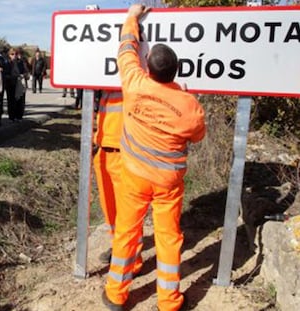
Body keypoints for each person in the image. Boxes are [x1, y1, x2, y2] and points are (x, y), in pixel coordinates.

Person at [102, 4, 206, 311]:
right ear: (176, 71)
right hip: (168, 183)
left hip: (134, 175)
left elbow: (125, 48)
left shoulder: (134, 83)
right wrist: (183, 96)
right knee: (169, 236)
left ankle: (116, 295)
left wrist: (132, 17)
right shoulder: (189, 105)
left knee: (126, 231)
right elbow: (197, 135)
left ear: (148, 67)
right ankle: (169, 301)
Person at [93, 90, 143, 268]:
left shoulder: (134, 74)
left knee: (127, 213)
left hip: (125, 153)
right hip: (103, 150)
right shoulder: (104, 80)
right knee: (110, 209)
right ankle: (118, 246)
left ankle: (132, 261)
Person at [4, 48, 26, 122]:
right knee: (11, 101)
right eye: (12, 54)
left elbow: (25, 72)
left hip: (19, 84)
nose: (14, 56)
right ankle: (11, 117)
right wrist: (14, 77)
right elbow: (5, 74)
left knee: (20, 101)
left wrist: (24, 75)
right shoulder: (7, 63)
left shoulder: (20, 63)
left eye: (15, 54)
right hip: (10, 84)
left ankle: (19, 116)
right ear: (9, 55)